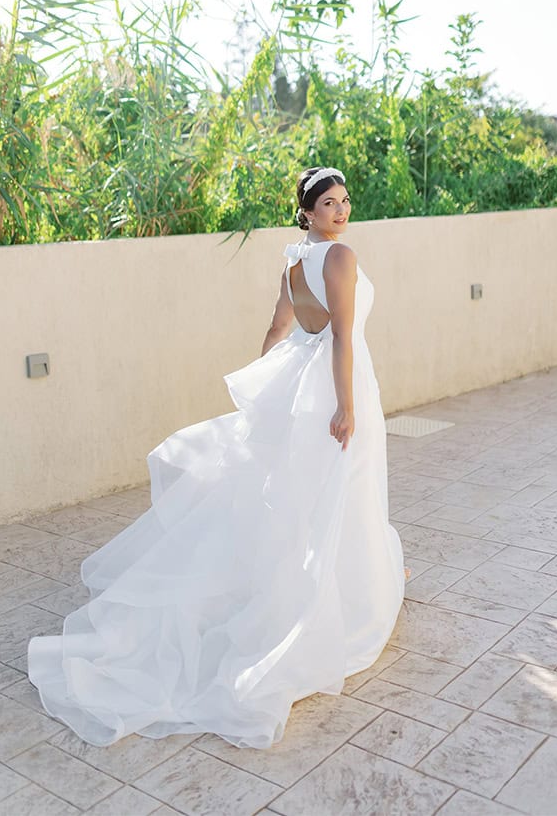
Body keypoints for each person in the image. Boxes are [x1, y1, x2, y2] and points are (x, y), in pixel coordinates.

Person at [27, 165, 407, 750]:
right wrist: (346, 406)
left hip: (304, 390)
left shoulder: (291, 261)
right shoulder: (340, 257)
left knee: (312, 493)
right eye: (329, 203)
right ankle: (349, 599)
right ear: (307, 212)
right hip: (336, 388)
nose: (341, 210)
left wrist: (267, 396)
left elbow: (280, 328)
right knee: (342, 491)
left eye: (345, 201)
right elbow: (340, 336)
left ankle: (348, 580)